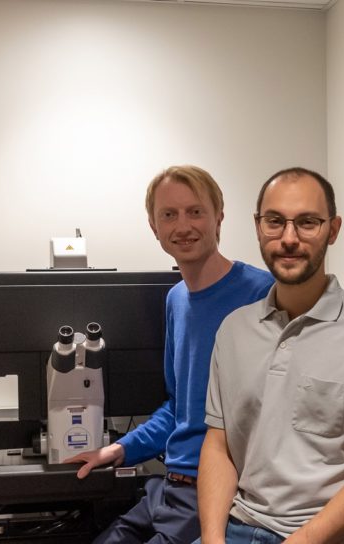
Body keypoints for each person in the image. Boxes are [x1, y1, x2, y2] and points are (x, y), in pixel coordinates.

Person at [196, 167, 344, 544]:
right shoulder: (234, 330)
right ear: (257, 226)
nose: (288, 238)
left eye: (307, 223)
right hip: (239, 527)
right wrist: (213, 539)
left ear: (333, 229)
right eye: (275, 222)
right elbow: (219, 446)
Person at [65, 165, 274, 544]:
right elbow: (180, 407)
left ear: (219, 218)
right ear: (154, 227)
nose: (183, 226)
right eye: (169, 215)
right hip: (167, 486)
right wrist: (119, 448)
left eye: (195, 212)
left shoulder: (261, 294)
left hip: (216, 493)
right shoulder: (175, 299)